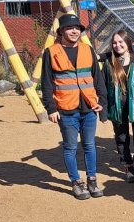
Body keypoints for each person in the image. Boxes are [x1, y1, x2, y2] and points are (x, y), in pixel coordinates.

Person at [40, 14, 108, 200]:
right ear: (61, 31)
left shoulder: (88, 49)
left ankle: (92, 179)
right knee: (70, 147)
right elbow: (46, 83)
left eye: (77, 28)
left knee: (89, 145)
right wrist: (51, 108)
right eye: (70, 28)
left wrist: (101, 101)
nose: (74, 31)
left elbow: (98, 78)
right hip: (66, 109)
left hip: (88, 108)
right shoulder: (51, 52)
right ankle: (76, 182)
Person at [102, 30, 134, 185]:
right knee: (122, 138)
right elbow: (103, 88)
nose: (118, 45)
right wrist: (104, 110)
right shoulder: (109, 63)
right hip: (117, 107)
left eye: (121, 42)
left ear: (128, 43)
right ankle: (128, 166)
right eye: (115, 43)